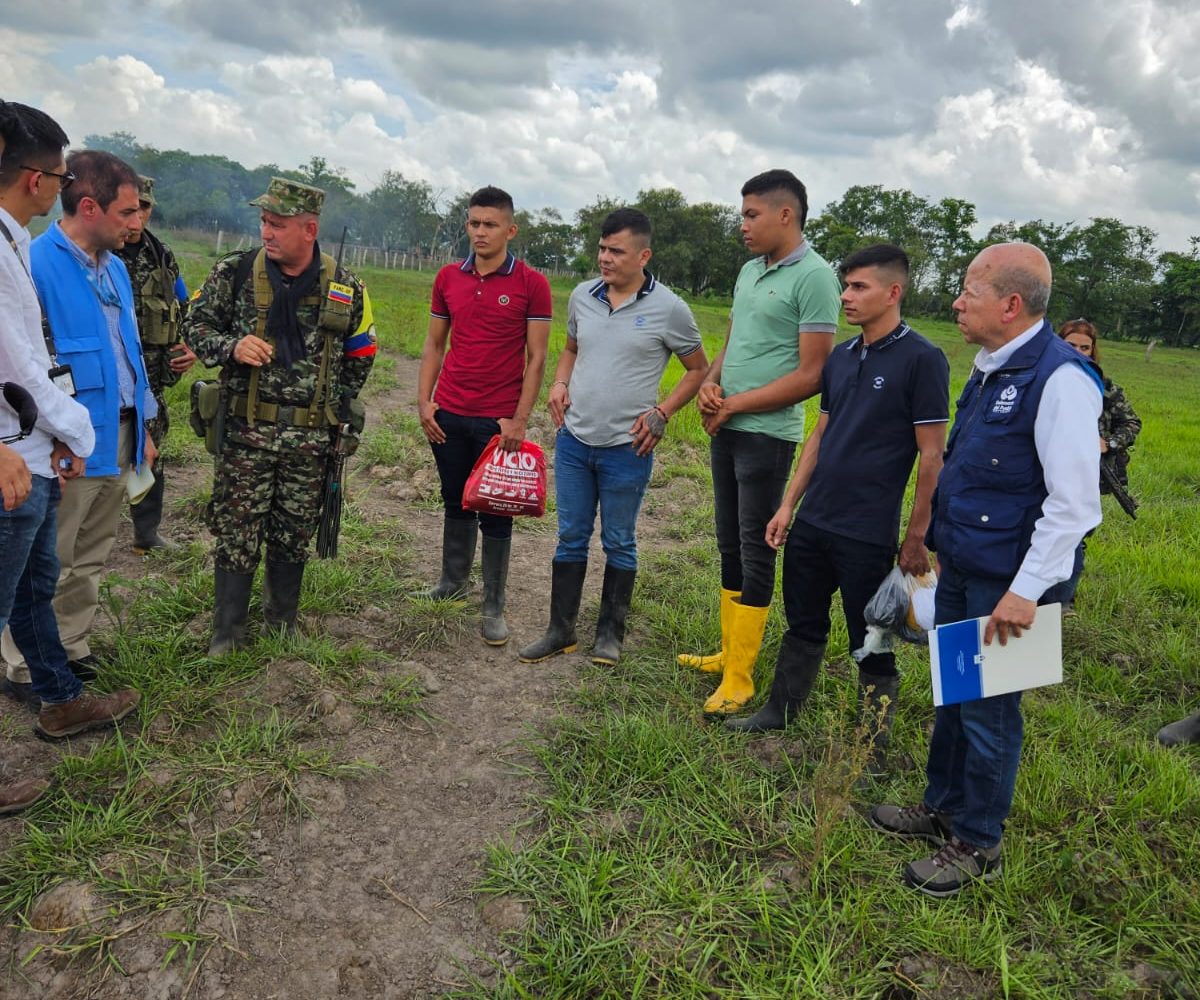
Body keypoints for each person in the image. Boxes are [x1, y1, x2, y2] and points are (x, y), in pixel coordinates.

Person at [870, 243, 1103, 897]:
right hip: (968, 567)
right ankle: (940, 806)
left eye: (969, 289)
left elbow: (1074, 506)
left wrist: (1026, 593)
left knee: (990, 711)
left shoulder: (1060, 380)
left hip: (1013, 584)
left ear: (1010, 303)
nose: (956, 300)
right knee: (954, 693)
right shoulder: (991, 368)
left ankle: (978, 840)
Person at [726, 245, 950, 774]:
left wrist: (917, 536)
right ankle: (780, 709)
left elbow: (931, 455)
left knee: (869, 636)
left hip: (867, 533)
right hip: (815, 522)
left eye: (859, 287)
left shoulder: (922, 359)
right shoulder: (844, 357)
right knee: (802, 621)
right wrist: (787, 506)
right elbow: (820, 436)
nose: (846, 296)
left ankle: (871, 744)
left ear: (893, 293)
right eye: (845, 286)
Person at [185, 177, 376, 655]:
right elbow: (195, 323)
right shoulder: (234, 272)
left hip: (310, 442)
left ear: (309, 229)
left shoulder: (344, 285)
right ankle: (227, 632)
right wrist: (231, 345)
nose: (266, 233)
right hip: (247, 434)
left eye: (278, 224)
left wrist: (338, 408)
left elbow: (362, 346)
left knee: (294, 532)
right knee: (237, 529)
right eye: (264, 222)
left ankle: (282, 621)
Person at [0, 101, 139, 741]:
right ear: (40, 180)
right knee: (26, 584)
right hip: (28, 450)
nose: (136, 223)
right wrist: (75, 431)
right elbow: (24, 364)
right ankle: (35, 681)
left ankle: (61, 686)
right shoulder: (24, 255)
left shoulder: (102, 267)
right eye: (58, 179)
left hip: (58, 442)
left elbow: (118, 353)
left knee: (51, 579)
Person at [682, 169, 841, 715]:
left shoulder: (815, 277)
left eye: (751, 215)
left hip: (767, 436)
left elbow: (813, 373)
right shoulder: (751, 270)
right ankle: (728, 654)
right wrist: (711, 384)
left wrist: (737, 404)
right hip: (728, 425)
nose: (742, 225)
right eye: (741, 213)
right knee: (729, 541)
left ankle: (742, 678)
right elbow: (734, 339)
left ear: (785, 215)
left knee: (755, 549)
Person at [519, 209, 707, 666]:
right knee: (570, 537)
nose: (605, 258)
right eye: (602, 248)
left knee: (619, 540)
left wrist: (662, 413)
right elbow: (570, 349)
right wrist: (560, 384)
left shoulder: (670, 309)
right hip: (574, 442)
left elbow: (698, 369)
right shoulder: (583, 296)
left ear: (643, 255)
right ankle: (560, 630)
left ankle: (610, 633)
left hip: (628, 448)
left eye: (616, 251)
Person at [417, 186, 551, 645]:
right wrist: (424, 401)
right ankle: (452, 583)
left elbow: (536, 359)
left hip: (498, 423)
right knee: (454, 500)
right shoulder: (448, 277)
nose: (480, 231)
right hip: (448, 412)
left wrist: (518, 419)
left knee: (495, 509)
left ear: (510, 229)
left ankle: (493, 604)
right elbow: (435, 344)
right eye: (474, 223)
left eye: (490, 224)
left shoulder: (532, 284)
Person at [115, 174, 196, 554]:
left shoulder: (161, 255)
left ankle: (145, 534)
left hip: (151, 379)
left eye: (145, 207)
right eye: (133, 206)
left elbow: (183, 307)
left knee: (150, 452)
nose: (139, 216)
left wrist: (187, 346)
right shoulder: (98, 250)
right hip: (108, 377)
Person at [1056, 319, 1142, 609]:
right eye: (1071, 346)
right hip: (1043, 470)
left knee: (1075, 536)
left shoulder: (1104, 387)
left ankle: (1063, 601)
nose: (1079, 352)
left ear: (1093, 352)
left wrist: (1109, 443)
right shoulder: (1043, 379)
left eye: (1085, 347)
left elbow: (1131, 422)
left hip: (1085, 473)